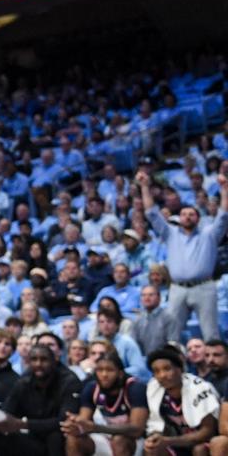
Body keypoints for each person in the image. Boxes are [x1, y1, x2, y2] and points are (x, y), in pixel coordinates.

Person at [137, 168, 228, 343]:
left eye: (191, 214)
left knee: (211, 334)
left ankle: (217, 368)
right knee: (172, 335)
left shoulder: (209, 234)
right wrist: (144, 187)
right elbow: (151, 213)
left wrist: (225, 189)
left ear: (198, 219)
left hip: (204, 287)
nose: (187, 217)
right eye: (184, 214)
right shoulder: (170, 234)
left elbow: (224, 216)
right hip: (177, 288)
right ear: (179, 218)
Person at [0, 345, 80, 456]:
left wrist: (23, 424)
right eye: (34, 360)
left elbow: (64, 421)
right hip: (32, 437)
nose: (38, 364)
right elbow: (8, 409)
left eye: (44, 360)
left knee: (55, 437)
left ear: (54, 361)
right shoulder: (23, 382)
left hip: (58, 437)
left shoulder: (69, 382)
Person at [62, 352, 147, 456]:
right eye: (100, 370)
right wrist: (76, 424)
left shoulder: (134, 388)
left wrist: (97, 428)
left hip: (133, 442)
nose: (104, 374)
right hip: (104, 438)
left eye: (109, 370)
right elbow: (84, 421)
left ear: (120, 373)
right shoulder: (92, 388)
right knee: (73, 439)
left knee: (119, 440)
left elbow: (137, 429)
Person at [143, 347, 219, 455]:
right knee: (151, 449)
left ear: (180, 369)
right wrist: (154, 438)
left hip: (204, 442)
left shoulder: (199, 388)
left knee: (199, 449)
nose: (162, 375)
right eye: (156, 371)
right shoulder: (153, 388)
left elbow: (207, 431)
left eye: (167, 369)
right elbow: (156, 425)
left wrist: (169, 441)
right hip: (177, 442)